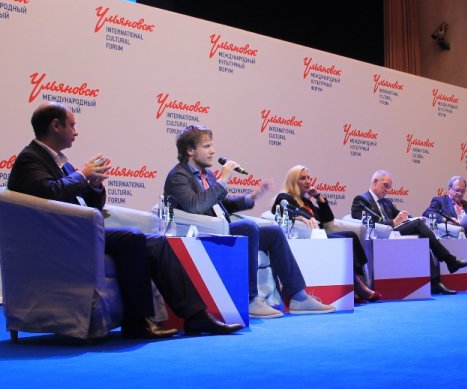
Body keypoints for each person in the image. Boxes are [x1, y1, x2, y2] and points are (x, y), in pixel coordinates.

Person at [8, 102, 242, 337]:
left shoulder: (63, 163)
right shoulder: (30, 158)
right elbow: (48, 192)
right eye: (72, 125)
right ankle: (136, 323)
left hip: (80, 232)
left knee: (157, 243)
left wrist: (94, 185)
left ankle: (196, 317)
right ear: (55, 126)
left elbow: (91, 204)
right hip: (56, 239)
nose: (76, 132)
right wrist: (81, 175)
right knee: (132, 238)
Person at [164, 125, 335, 317]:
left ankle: (298, 297)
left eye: (212, 145)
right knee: (248, 228)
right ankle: (250, 299)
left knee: (273, 232)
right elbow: (194, 206)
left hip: (221, 228)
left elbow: (219, 205)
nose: (213, 151)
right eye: (207, 146)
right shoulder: (179, 176)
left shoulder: (207, 175)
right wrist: (223, 180)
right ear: (190, 150)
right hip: (200, 234)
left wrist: (251, 197)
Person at [350, 169, 467, 295]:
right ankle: (450, 261)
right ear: (374, 182)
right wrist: (393, 222)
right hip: (378, 235)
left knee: (421, 233)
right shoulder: (361, 200)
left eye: (390, 187)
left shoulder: (386, 202)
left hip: (393, 233)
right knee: (418, 225)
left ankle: (435, 282)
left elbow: (402, 216)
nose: (388, 190)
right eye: (386, 186)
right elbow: (368, 223)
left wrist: (414, 218)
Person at [272, 165, 381, 302]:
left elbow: (328, 218)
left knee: (351, 235)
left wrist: (319, 197)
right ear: (293, 181)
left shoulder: (306, 201)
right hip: (306, 239)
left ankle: (357, 285)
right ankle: (359, 288)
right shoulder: (284, 197)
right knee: (343, 240)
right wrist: (300, 217)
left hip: (319, 235)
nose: (308, 181)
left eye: (308, 178)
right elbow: (279, 212)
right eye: (303, 178)